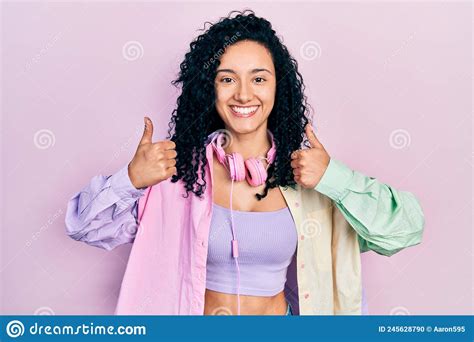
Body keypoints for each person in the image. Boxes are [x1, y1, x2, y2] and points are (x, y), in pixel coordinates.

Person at [65, 10, 425, 316]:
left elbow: (404, 230)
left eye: (258, 78)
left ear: (277, 88)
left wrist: (335, 178)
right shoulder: (176, 176)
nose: (243, 94)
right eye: (227, 79)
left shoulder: (310, 177)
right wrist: (131, 180)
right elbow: (84, 226)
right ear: (209, 88)